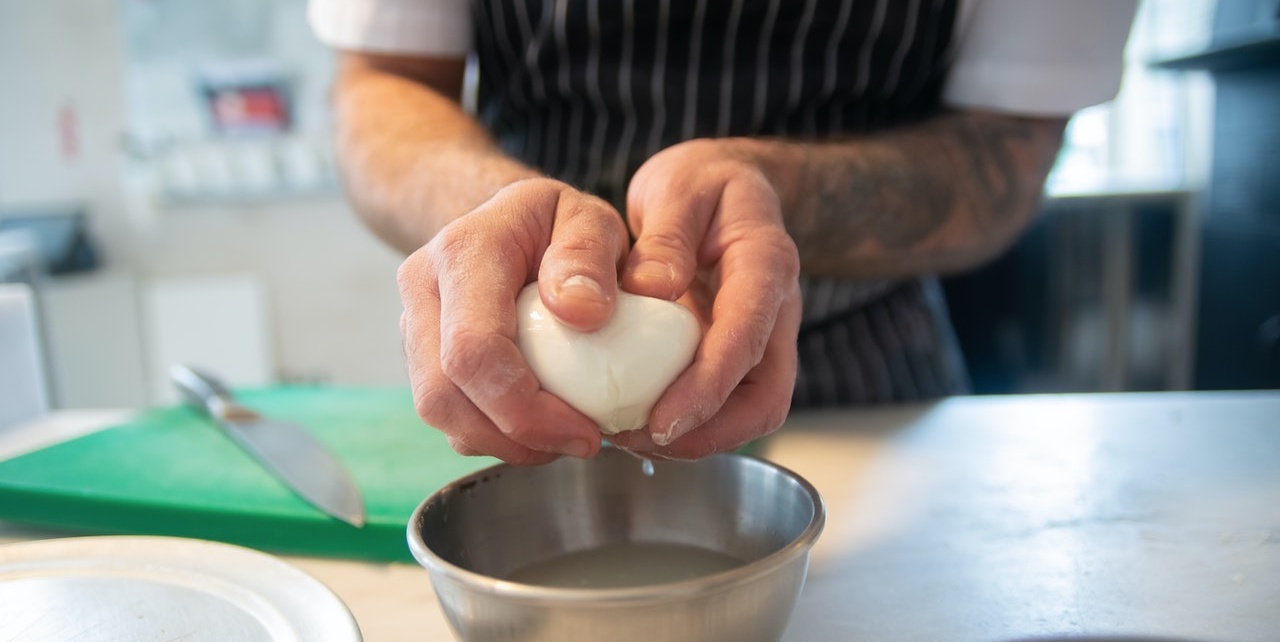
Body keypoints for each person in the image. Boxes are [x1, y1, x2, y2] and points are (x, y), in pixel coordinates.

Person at [309, 0, 1139, 464]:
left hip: (872, 383)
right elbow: (383, 82)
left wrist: (782, 195)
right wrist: (493, 205)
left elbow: (1012, 149)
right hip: (530, 389)